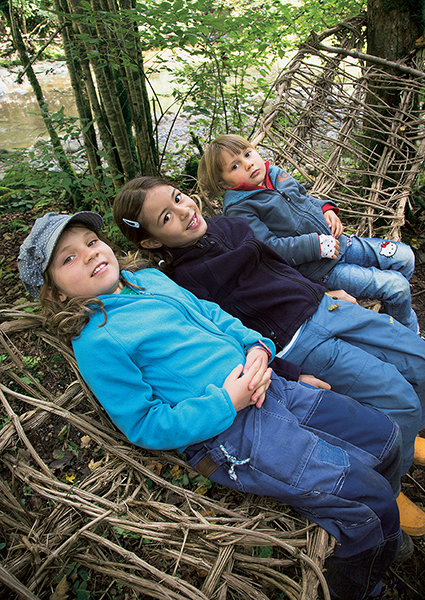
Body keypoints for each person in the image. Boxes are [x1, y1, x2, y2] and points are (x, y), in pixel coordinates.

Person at [17, 211, 411, 600]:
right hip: (233, 435)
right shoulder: (98, 339)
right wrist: (226, 402)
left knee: (386, 438)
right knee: (370, 503)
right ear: (54, 293)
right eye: (68, 258)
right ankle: (362, 587)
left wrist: (257, 347)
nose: (89, 254)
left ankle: (385, 540)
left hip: (270, 386)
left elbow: (213, 315)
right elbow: (144, 423)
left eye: (91, 242)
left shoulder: (149, 280)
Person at [112, 176, 425, 538]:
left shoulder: (230, 224)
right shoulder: (184, 280)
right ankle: (394, 486)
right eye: (166, 217)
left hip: (327, 306)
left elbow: (279, 265)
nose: (184, 212)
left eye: (179, 198)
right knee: (398, 397)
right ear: (151, 240)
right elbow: (226, 335)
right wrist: (289, 373)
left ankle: (407, 431)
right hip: (297, 341)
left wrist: (325, 289)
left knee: (419, 362)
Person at [197, 134, 419, 334]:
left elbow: (305, 198)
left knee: (405, 256)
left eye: (247, 153)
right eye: (235, 166)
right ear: (223, 183)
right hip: (320, 270)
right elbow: (269, 248)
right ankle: (409, 334)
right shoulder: (240, 209)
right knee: (395, 286)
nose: (248, 164)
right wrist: (316, 245)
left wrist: (327, 209)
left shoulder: (275, 174)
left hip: (341, 242)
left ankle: (395, 317)